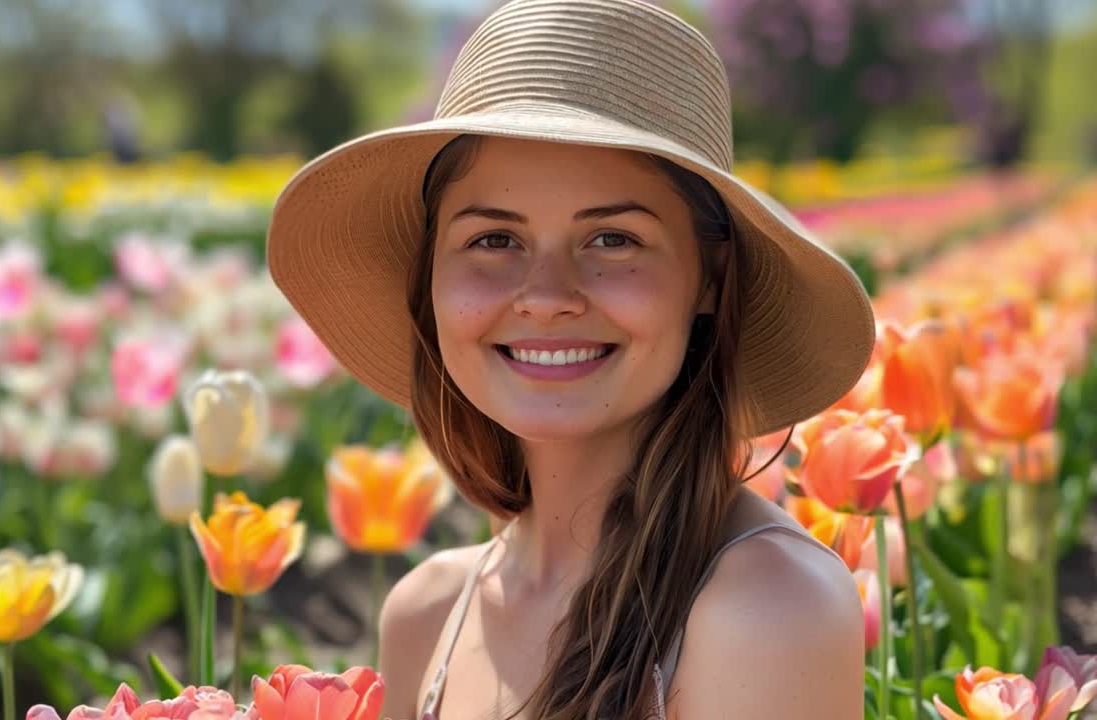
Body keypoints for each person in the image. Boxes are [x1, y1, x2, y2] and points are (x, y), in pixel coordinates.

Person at [265, 0, 875, 718]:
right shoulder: (426, 615)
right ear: (429, 278)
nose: (546, 296)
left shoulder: (765, 607)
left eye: (613, 239)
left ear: (709, 278)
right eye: (494, 240)